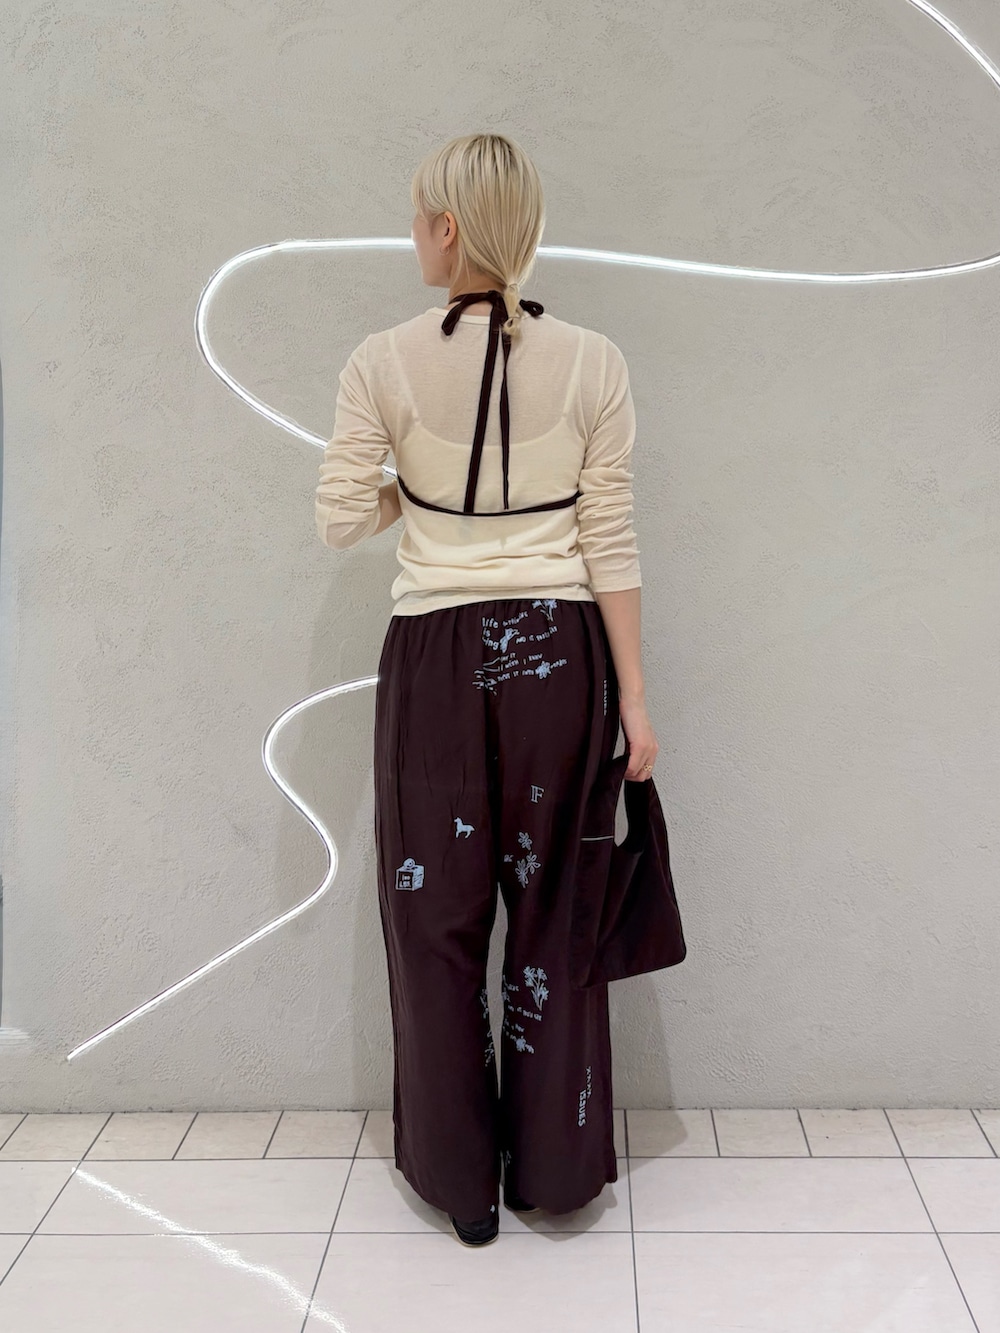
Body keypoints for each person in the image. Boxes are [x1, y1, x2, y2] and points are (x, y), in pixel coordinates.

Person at [315, 132, 658, 1247]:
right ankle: (552, 1172)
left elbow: (337, 518)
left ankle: (462, 1184)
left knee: (435, 919)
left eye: (420, 215)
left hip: (434, 663)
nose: (412, 233)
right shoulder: (595, 361)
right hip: (562, 659)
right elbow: (609, 540)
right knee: (557, 912)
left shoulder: (380, 361)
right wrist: (636, 702)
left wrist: (412, 496)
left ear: (449, 228)